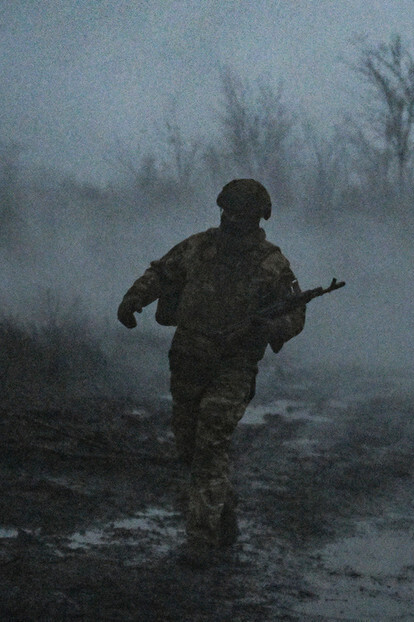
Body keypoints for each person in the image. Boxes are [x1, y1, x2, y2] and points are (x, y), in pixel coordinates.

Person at [117, 179, 305, 566]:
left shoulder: (272, 263)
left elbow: (295, 311)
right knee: (188, 447)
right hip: (188, 358)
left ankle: (200, 540)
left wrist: (271, 328)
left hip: (234, 367)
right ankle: (221, 508)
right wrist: (133, 299)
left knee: (210, 444)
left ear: (258, 218)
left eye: (243, 215)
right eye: (228, 212)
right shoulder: (198, 247)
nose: (233, 220)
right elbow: (162, 273)